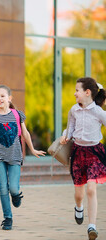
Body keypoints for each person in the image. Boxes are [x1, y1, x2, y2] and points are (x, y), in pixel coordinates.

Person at [0, 85, 45, 230]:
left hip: (15, 155)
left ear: (9, 98)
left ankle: (16, 194)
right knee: (2, 187)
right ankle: (8, 217)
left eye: (2, 96)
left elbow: (25, 134)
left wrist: (32, 149)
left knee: (12, 187)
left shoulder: (17, 115)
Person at [60, 77, 106, 240]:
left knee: (91, 190)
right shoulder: (73, 110)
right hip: (78, 153)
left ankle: (92, 226)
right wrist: (65, 136)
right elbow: (70, 128)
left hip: (94, 153)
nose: (74, 93)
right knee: (79, 193)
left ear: (87, 93)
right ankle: (79, 207)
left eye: (77, 90)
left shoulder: (99, 112)